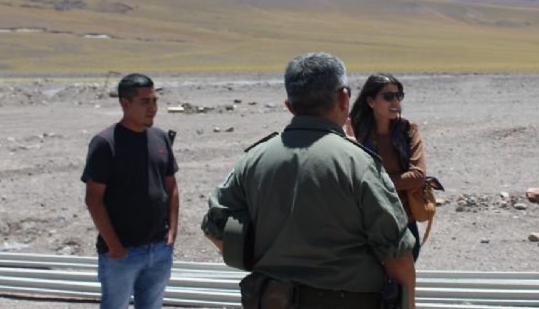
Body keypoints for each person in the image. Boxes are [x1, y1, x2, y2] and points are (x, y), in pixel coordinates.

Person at [201, 52, 416, 309]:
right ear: (344, 99)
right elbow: (397, 254)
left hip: (272, 299)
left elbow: (215, 226)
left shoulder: (253, 159)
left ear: (289, 105)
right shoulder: (359, 164)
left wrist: (263, 262)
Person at [81, 73, 180, 309]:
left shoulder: (160, 138)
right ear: (125, 103)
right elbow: (94, 200)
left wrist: (172, 233)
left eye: (155, 100)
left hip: (158, 248)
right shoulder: (105, 143)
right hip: (122, 254)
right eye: (145, 102)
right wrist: (114, 246)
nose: (153, 108)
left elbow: (171, 187)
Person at [348, 73, 426, 260]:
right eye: (388, 97)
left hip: (404, 219)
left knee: (402, 282)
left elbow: (418, 176)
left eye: (399, 96)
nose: (395, 102)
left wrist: (374, 185)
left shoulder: (408, 129)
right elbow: (350, 175)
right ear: (371, 101)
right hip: (366, 222)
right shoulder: (355, 132)